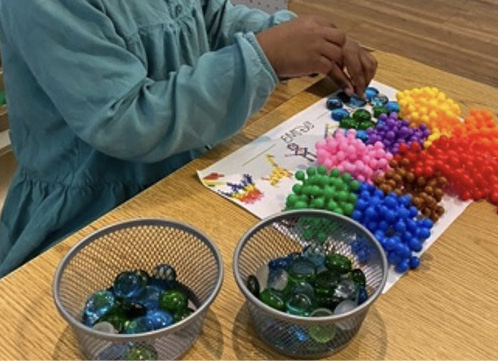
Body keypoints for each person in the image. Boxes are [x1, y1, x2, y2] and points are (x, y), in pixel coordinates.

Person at [0, 0, 377, 276]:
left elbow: (210, 17)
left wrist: (302, 39)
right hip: (92, 207)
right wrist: (265, 57)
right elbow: (124, 121)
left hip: (186, 172)